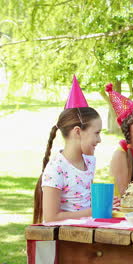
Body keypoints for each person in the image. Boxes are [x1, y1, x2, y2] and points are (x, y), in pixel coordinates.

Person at [33, 77, 102, 223]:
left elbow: (83, 201)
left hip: (87, 236)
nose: (99, 139)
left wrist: (103, 203)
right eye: (96, 133)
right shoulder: (56, 168)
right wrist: (94, 211)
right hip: (66, 241)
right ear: (78, 131)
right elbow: (50, 218)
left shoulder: (89, 161)